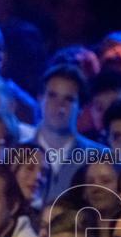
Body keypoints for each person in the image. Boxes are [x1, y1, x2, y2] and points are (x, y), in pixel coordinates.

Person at [33, 63, 109, 202]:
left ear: (81, 107)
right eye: (52, 95)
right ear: (40, 99)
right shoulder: (14, 155)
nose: (59, 105)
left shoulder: (103, 159)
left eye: (69, 99)